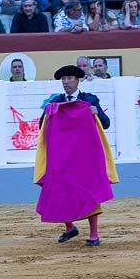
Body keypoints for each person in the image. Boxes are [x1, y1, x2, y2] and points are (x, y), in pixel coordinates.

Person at [36, 64, 115, 247]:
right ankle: (69, 227)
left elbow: (106, 123)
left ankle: (94, 234)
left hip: (84, 156)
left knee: (88, 189)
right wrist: (48, 114)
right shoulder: (55, 101)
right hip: (62, 156)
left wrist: (96, 113)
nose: (66, 82)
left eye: (69, 78)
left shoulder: (89, 99)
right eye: (63, 79)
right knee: (59, 189)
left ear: (77, 80)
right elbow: (43, 126)